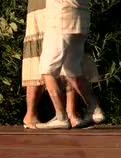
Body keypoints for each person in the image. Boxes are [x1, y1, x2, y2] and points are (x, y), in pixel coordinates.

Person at [21, 0, 102, 129]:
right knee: (72, 70)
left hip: (60, 20)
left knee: (47, 69)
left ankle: (61, 117)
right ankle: (95, 110)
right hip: (80, 19)